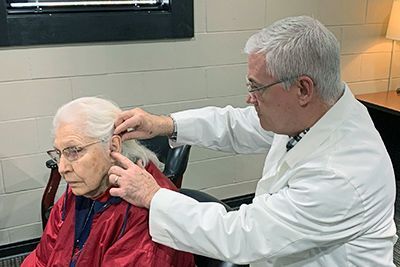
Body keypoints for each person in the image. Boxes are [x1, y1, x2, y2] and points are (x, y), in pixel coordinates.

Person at [108, 16, 397, 266]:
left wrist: (152, 195)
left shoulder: (343, 174)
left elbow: (243, 235)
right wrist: (162, 124)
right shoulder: (320, 110)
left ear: (303, 88)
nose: (250, 98)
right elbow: (237, 125)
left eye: (257, 87)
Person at [22, 97, 195, 267]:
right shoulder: (82, 188)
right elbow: (42, 258)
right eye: (59, 153)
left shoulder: (146, 213)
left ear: (113, 146)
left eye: (74, 151)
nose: (62, 168)